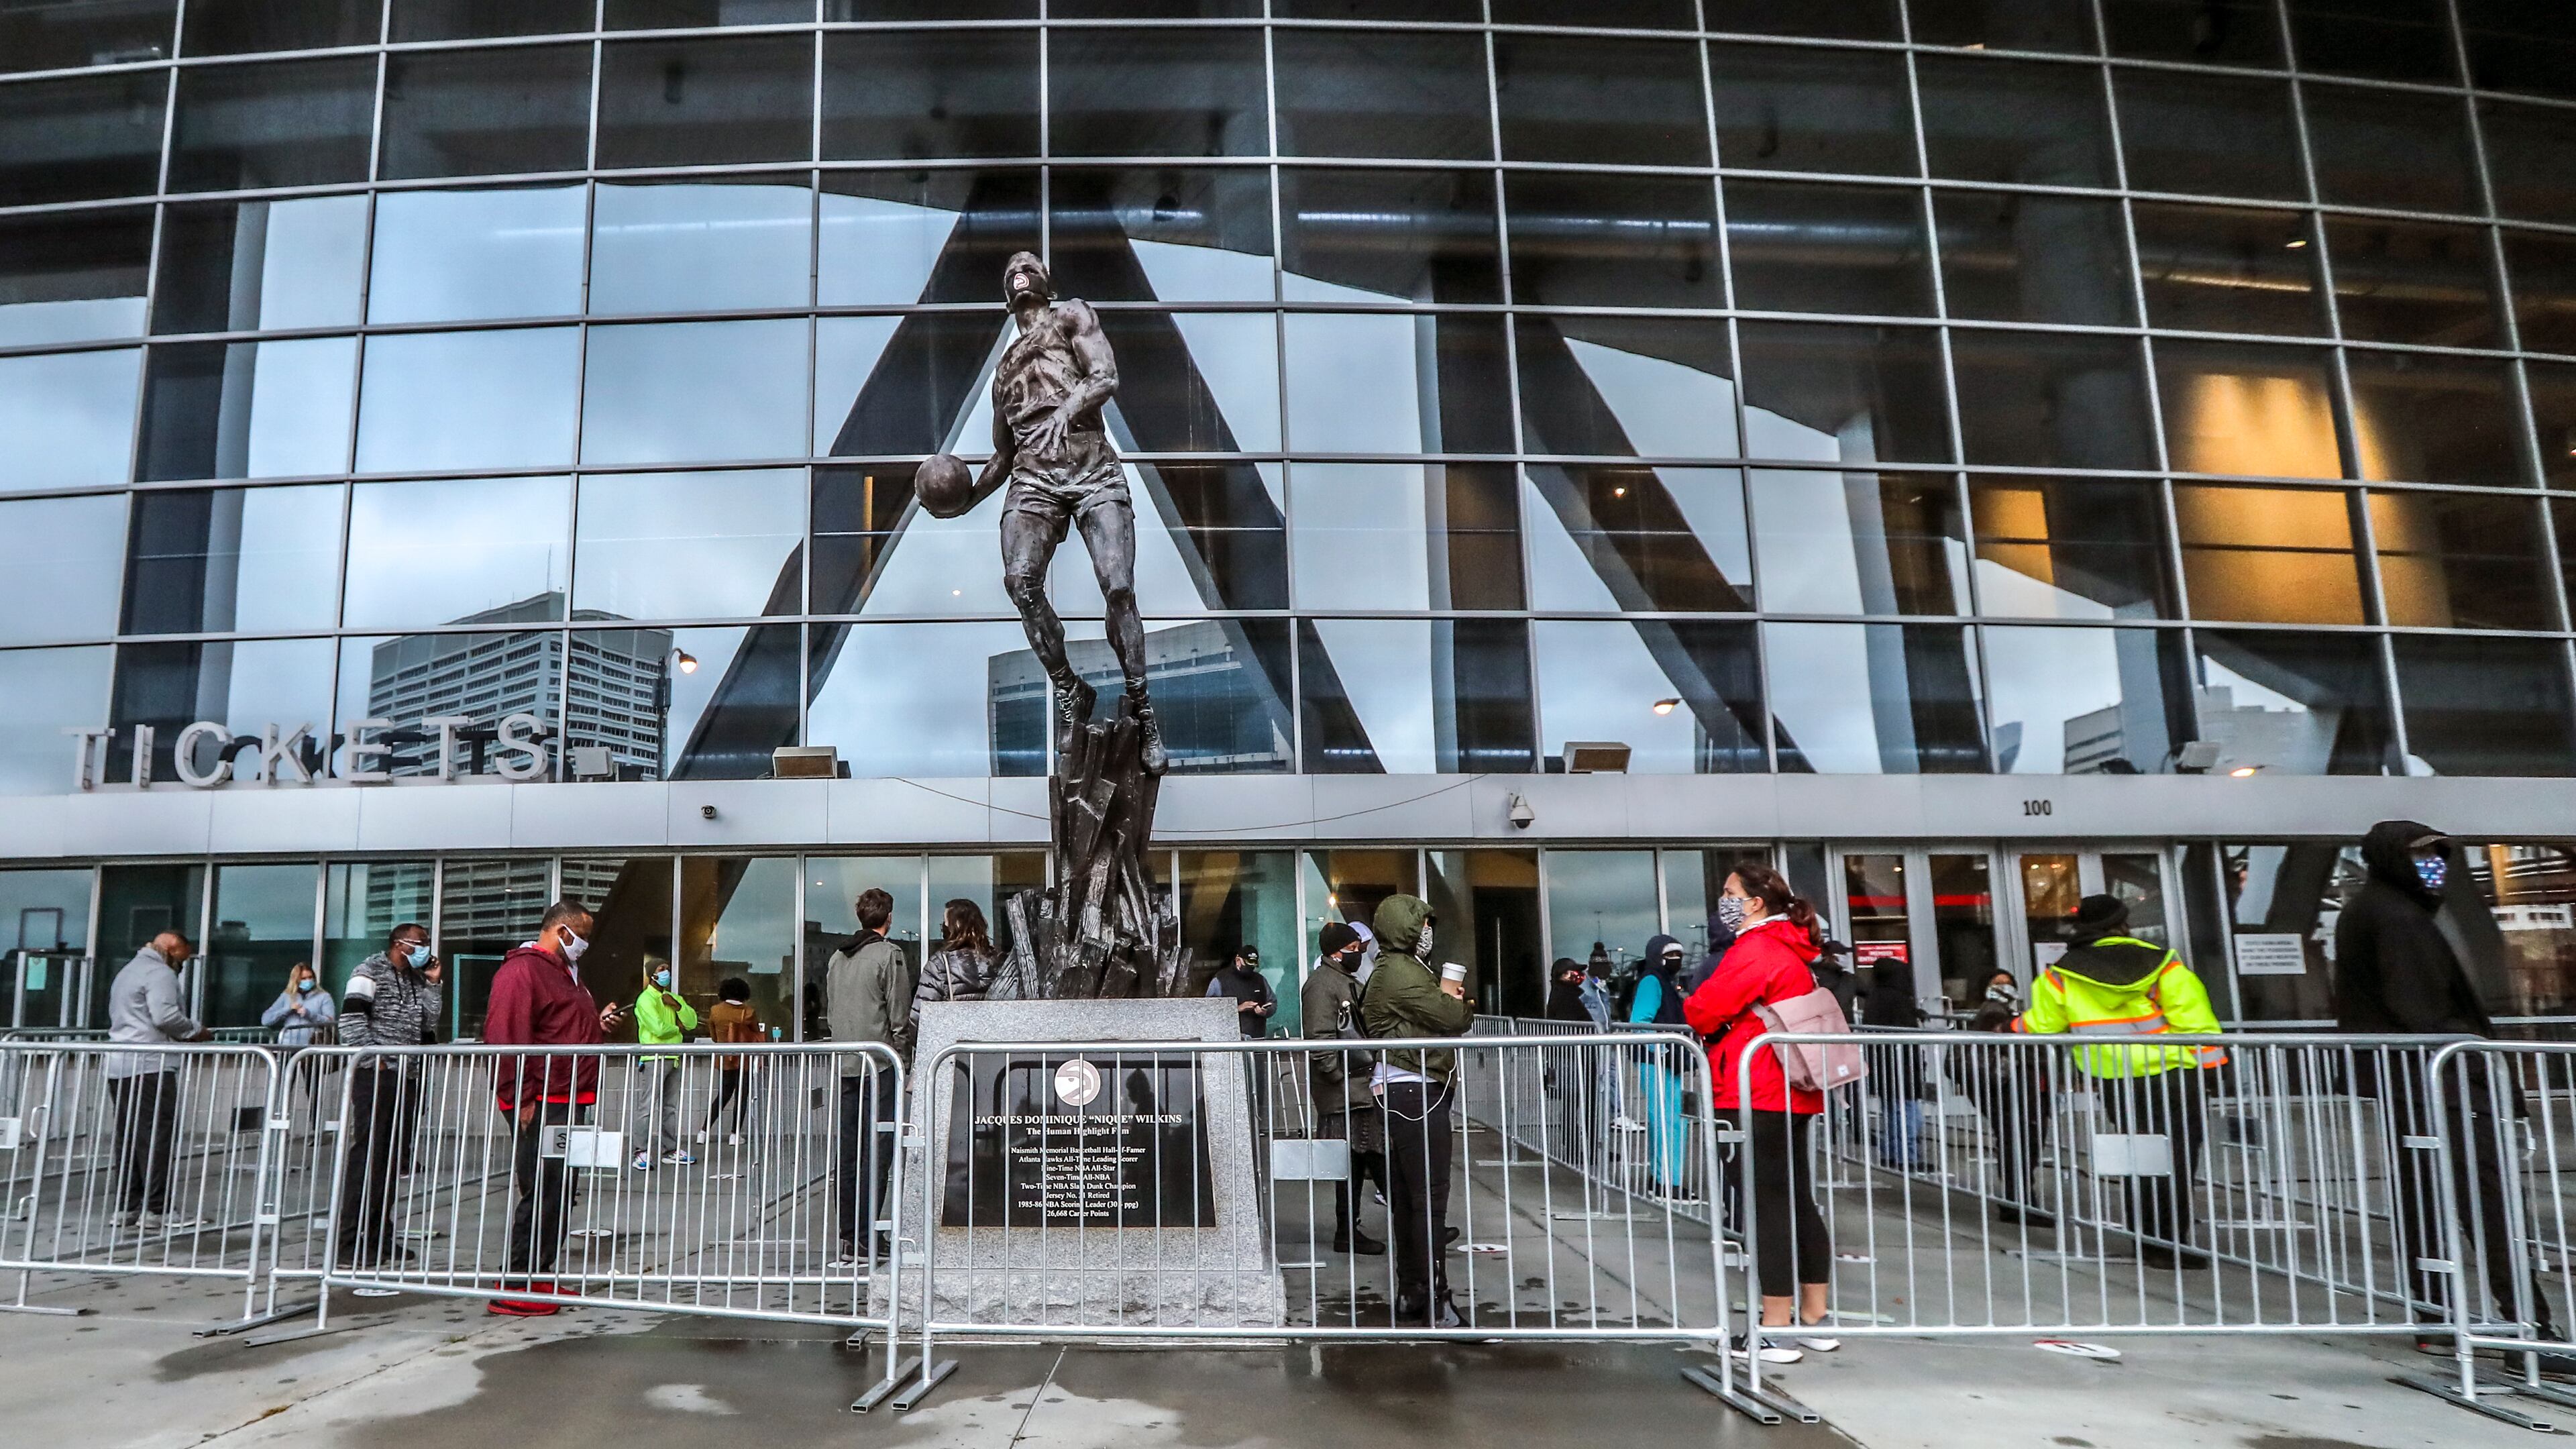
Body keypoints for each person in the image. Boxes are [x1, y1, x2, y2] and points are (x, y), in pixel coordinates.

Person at [2335, 820, 2572, 1367]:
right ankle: (2526, 1327)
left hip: (2417, 1080)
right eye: (2425, 858)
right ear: (2394, 860)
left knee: (2429, 1199)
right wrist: (2471, 1058)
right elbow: (2419, 1005)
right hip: (2443, 1082)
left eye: (2442, 857)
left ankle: (2436, 1317)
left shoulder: (2376, 909)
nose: (2437, 867)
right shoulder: (2397, 918)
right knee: (2488, 1201)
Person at [1684, 862, 1841, 1364]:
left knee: (1764, 1204)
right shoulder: (1793, 946)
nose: (1723, 902)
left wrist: (1696, 1004)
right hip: (1787, 1088)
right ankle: (1813, 1316)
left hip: (1754, 1087)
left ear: (1755, 903)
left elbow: (1704, 1008)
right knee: (1796, 1199)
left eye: (1730, 893)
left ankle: (1775, 1325)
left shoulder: (1756, 948)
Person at [2018, 893, 2221, 1271]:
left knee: (2138, 1158)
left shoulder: (2061, 973)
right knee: (2176, 1160)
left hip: (2114, 1078)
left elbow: (2042, 1025)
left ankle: (2145, 1238)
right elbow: (2195, 1022)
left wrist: (2006, 1027)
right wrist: (2212, 1067)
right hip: (2172, 1075)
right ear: (2123, 922)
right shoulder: (2161, 962)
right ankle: (2169, 1243)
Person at [484, 900, 625, 1316]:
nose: (585, 944)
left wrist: (596, 1025)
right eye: (582, 935)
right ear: (562, 931)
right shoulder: (523, 971)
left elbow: (558, 1027)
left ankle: (539, 1274)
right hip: (545, 1097)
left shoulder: (567, 975)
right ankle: (517, 1280)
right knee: (544, 1185)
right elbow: (506, 1037)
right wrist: (521, 1097)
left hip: (569, 1094)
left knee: (561, 1190)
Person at [1358, 894, 1475, 1328]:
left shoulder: (1397, 970)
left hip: (1407, 1090)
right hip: (1413, 1092)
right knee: (1429, 1202)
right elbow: (1449, 1016)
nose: (1429, 932)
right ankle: (1436, 1301)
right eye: (1424, 923)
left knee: (1411, 1201)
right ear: (1407, 928)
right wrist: (1460, 1006)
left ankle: (1415, 1293)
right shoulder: (1401, 972)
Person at [335, 924, 443, 1269]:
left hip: (407, 1076)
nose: (426, 949)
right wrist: (374, 1059)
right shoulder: (368, 972)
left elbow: (428, 1023)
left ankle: (380, 1237)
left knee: (393, 1159)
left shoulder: (414, 979)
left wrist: (433, 985)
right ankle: (351, 1241)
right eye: (421, 944)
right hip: (377, 1076)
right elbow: (351, 1022)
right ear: (401, 944)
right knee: (368, 1155)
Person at [826, 888, 916, 1267]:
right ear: (889, 917)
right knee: (878, 1151)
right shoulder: (889, 955)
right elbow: (899, 1015)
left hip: (845, 1064)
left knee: (849, 1151)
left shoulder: (837, 957)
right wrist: (904, 1058)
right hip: (880, 1065)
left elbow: (833, 1011)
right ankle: (867, 1238)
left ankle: (849, 1238)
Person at [105, 931, 211, 1233]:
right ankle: (157, 1209)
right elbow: (165, 1017)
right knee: (156, 1137)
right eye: (183, 960)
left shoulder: (126, 972)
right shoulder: (160, 973)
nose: (182, 967)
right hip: (152, 1064)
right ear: (172, 949)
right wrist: (195, 1031)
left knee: (129, 1137)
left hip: (120, 1065)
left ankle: (128, 1205)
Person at [1300, 921, 1387, 1256]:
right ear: (1338, 951)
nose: (1358, 954)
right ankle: (1417, 1227)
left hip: (1353, 1088)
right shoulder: (1323, 985)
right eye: (1354, 949)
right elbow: (1319, 1039)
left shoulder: (1337, 980)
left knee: (1358, 1160)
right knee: (1368, 1158)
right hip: (1347, 1091)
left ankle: (1351, 1232)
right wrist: (1337, 1076)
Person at [1951, 967, 2052, 1227]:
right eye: (1997, 983)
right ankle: (2019, 1203)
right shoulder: (1993, 1013)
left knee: (2021, 1146)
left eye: (2007, 983)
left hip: (2021, 1093)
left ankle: (2019, 1201)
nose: (2003, 988)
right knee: (2019, 1146)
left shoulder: (2008, 1014)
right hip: (2011, 1093)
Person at [1629, 935, 1693, 1199]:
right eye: (1670, 955)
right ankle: (1667, 1182)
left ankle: (1663, 1179)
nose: (1676, 960)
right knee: (1669, 1122)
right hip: (1658, 1061)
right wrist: (1664, 1047)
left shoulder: (1663, 982)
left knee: (1667, 1121)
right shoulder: (1653, 982)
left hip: (1665, 1061)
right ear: (1657, 957)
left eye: (1679, 955)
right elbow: (1639, 1021)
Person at [630, 960, 699, 1171]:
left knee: (670, 1107)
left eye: (667, 968)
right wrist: (677, 1029)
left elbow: (692, 1022)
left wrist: (677, 1007)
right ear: (652, 975)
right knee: (647, 1106)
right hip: (654, 1058)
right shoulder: (645, 1000)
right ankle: (640, 1152)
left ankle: (670, 1150)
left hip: (674, 1057)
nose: (666, 972)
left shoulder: (673, 998)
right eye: (661, 969)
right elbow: (658, 1029)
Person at [1861, 958, 1929, 1171]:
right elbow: (1903, 1028)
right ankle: (1907, 1157)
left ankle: (1892, 1152)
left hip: (1885, 1064)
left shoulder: (1877, 996)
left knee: (1894, 1111)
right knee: (1907, 1113)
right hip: (1902, 1064)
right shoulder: (1898, 999)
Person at [702, 977, 765, 1146]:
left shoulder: (715, 1010)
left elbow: (714, 1037)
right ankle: (735, 1134)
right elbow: (756, 1034)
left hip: (725, 1058)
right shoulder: (749, 1012)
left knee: (723, 1095)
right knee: (742, 1096)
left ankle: (703, 1131)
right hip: (744, 1059)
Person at [918, 899, 998, 1006]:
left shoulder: (939, 964)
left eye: (945, 924)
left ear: (956, 926)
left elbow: (921, 1014)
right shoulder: (998, 961)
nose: (943, 928)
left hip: (952, 1022)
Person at [260, 961, 336, 1048]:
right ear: (296, 980)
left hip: (311, 1048)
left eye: (310, 978)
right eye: (303, 979)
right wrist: (288, 1010)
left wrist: (309, 1014)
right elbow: (266, 1020)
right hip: (288, 1046)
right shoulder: (287, 996)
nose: (308, 981)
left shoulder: (324, 997)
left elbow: (330, 1022)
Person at [1207, 945, 1277, 1038]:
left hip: (1258, 1039)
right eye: (1247, 965)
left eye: (1253, 966)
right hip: (1229, 1040)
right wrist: (1238, 1008)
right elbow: (1208, 1008)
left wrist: (1265, 1011)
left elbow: (1273, 1002)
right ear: (1238, 961)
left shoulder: (1260, 980)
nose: (1250, 969)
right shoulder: (1220, 979)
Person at [1544, 959, 1590, 1023]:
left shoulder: (1577, 992)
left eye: (1576, 972)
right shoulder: (1563, 996)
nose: (1575, 976)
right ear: (1560, 976)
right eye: (1569, 974)